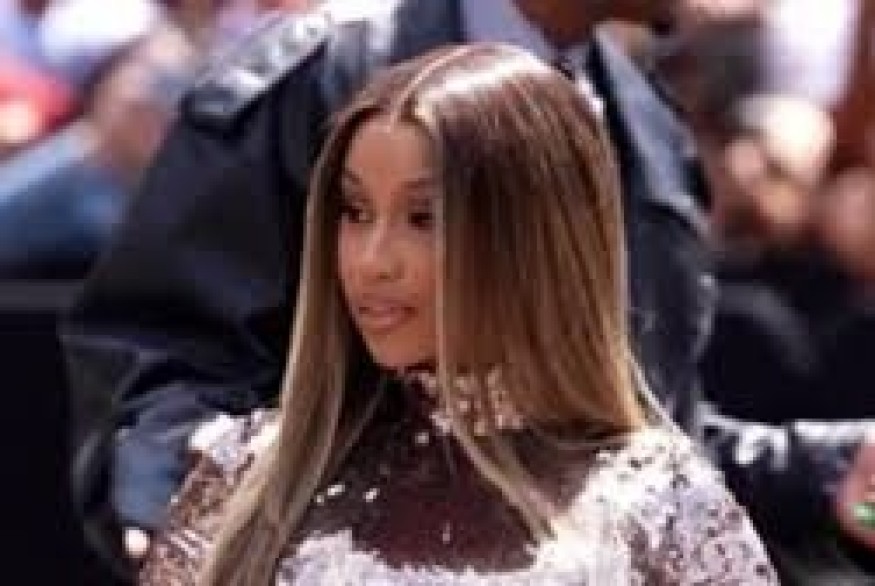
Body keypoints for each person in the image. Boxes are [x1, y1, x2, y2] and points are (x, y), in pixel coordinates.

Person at [58, 0, 871, 582]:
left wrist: (829, 476)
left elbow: (635, 435)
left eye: (424, 215)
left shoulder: (645, 129)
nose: (376, 260)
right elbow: (160, 377)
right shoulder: (320, 75)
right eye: (354, 211)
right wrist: (219, 517)